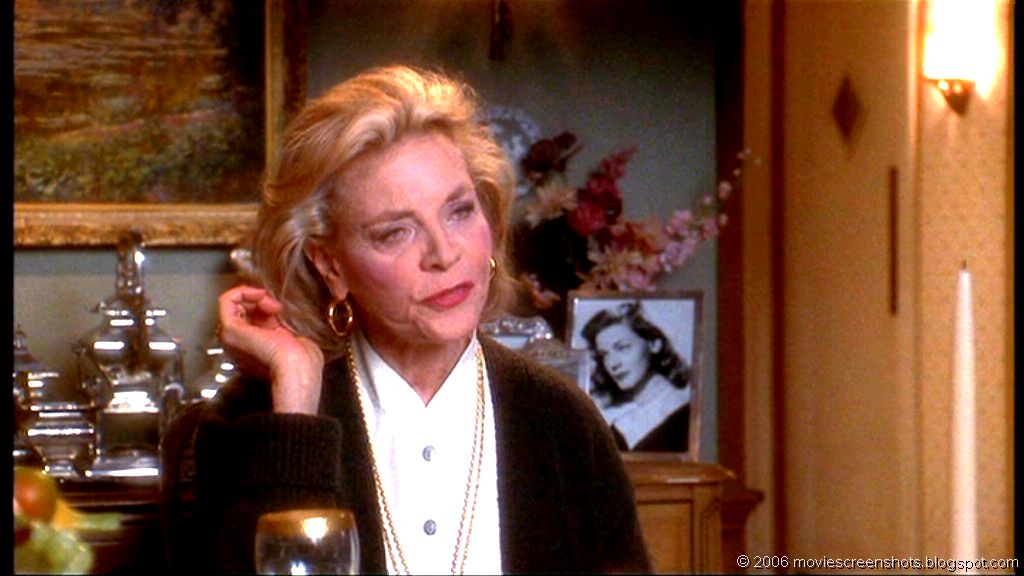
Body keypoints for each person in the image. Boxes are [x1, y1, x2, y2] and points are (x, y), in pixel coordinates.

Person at [190, 65, 651, 574]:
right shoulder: (250, 422)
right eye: (396, 232)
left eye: (459, 211)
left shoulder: (562, 419)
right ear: (331, 265)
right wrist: (297, 404)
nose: (444, 253)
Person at [581, 302, 693, 452]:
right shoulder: (620, 424)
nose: (612, 364)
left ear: (653, 344)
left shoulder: (686, 412)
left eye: (622, 348)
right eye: (605, 355)